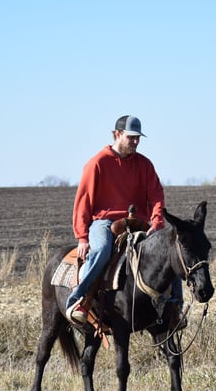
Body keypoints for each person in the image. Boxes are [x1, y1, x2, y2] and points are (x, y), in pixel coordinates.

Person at [65, 115, 184, 327]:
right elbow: (83, 200)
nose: (136, 142)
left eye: (138, 138)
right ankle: (79, 300)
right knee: (101, 250)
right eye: (131, 137)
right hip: (104, 221)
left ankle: (175, 309)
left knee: (170, 251)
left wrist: (157, 222)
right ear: (118, 134)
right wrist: (82, 237)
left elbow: (157, 195)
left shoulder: (145, 165)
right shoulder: (97, 163)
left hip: (139, 222)